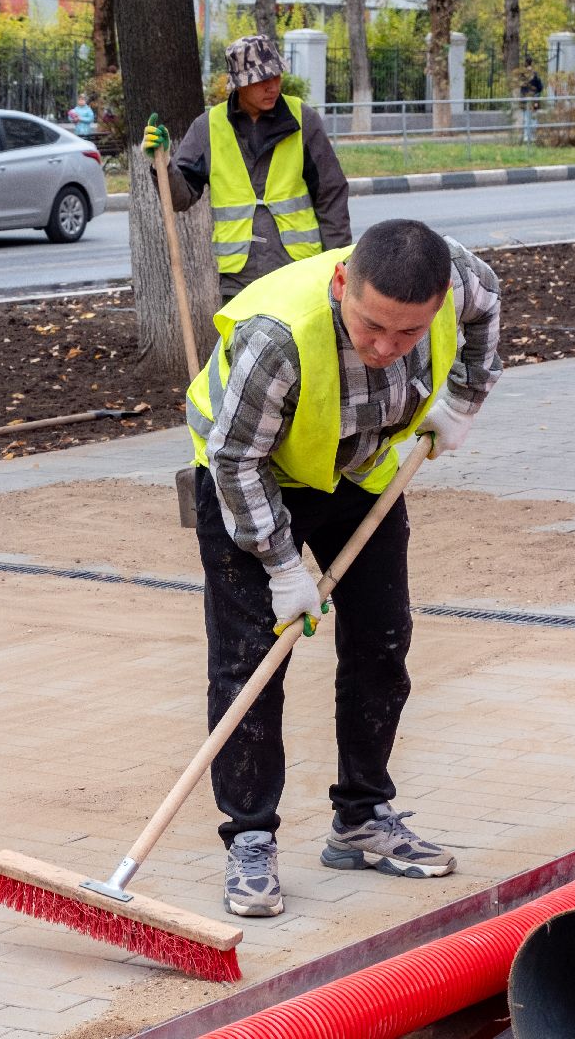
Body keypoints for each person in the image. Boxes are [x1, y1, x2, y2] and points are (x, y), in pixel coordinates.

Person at [184, 218, 502, 918]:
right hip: (252, 481)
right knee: (249, 663)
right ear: (340, 285)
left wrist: (463, 398)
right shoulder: (279, 339)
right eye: (372, 327)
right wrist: (281, 566)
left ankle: (362, 819)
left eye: (409, 335)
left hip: (359, 472)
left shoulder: (460, 280)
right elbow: (237, 460)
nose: (388, 349)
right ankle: (250, 839)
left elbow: (488, 305)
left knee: (382, 642)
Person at [141, 33, 350, 303]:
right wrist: (164, 163)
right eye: (262, 79)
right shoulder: (209, 127)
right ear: (239, 84)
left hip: (299, 271)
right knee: (244, 346)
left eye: (276, 76)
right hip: (239, 280)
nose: (272, 86)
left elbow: (331, 195)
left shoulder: (303, 119)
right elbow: (180, 199)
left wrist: (338, 263)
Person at [517, 60, 544, 145]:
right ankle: (532, 136)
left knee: (526, 117)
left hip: (525, 99)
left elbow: (520, 87)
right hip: (534, 99)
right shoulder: (535, 74)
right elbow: (540, 87)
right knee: (533, 118)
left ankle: (526, 136)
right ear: (531, 63)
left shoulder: (522, 75)